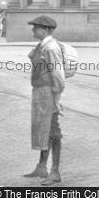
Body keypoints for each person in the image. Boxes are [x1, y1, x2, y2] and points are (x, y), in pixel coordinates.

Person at [23, 15, 66, 186]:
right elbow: (42, 68)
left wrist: (56, 98)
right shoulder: (42, 47)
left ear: (46, 30)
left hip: (48, 93)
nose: (33, 30)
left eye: (36, 27)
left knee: (53, 132)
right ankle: (41, 167)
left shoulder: (51, 48)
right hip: (40, 92)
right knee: (43, 129)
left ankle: (55, 172)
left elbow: (58, 77)